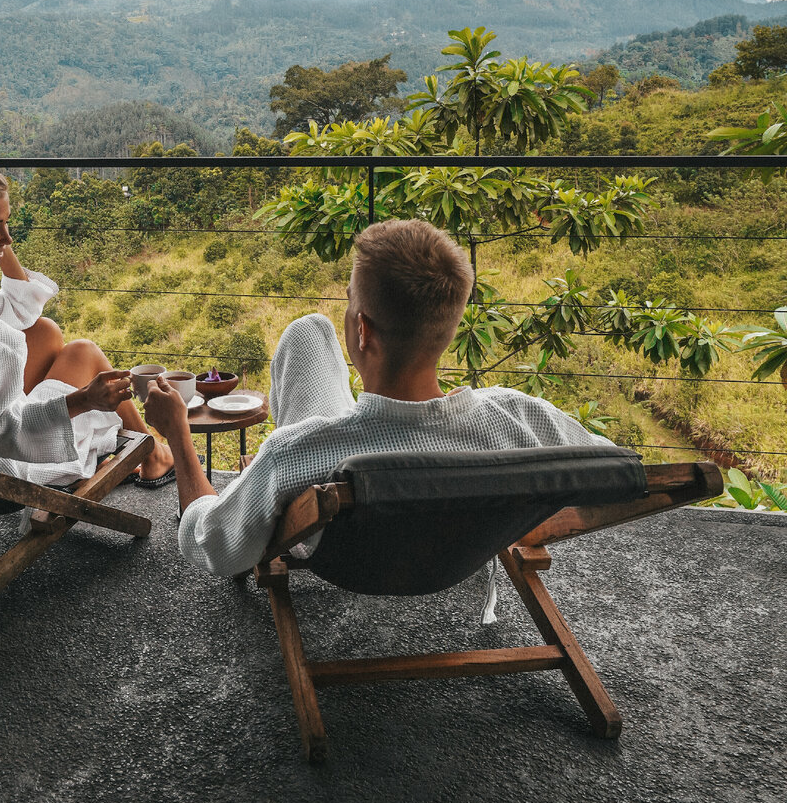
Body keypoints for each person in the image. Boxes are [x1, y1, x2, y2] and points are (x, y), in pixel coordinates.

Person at [144, 218, 612, 578]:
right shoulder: (517, 415)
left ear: (363, 329)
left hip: (351, 543)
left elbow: (214, 546)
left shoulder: (300, 453)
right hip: (454, 552)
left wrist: (179, 435)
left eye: (350, 303)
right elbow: (615, 470)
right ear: (449, 327)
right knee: (314, 331)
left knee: (306, 331)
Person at [0, 160, 175, 488]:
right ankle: (155, 456)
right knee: (84, 352)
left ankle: (150, 452)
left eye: (7, 224)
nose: (8, 237)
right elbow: (0, 433)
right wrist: (85, 400)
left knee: (45, 330)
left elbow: (23, 312)